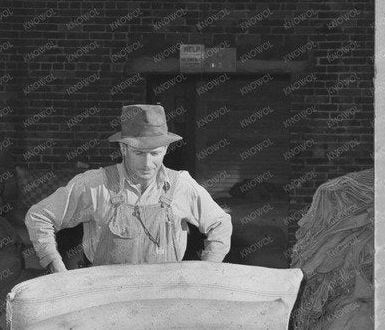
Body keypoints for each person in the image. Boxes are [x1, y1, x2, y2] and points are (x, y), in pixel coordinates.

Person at [25, 104, 232, 271]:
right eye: (139, 154)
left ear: (166, 149)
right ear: (123, 148)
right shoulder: (95, 185)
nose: (147, 164)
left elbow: (220, 223)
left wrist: (207, 271)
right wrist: (56, 265)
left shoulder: (181, 186)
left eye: (155, 153)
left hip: (164, 296)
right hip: (107, 296)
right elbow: (38, 217)